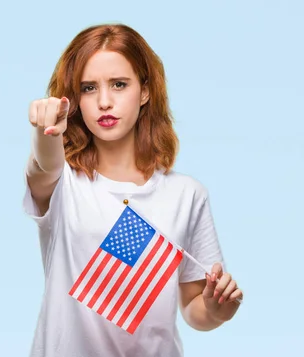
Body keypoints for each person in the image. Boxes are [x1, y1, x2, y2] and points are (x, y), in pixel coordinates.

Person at [22, 23, 242, 357]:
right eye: (88, 88)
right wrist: (46, 131)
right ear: (75, 99)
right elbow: (44, 166)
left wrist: (216, 310)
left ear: (144, 91)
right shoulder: (64, 184)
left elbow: (193, 308)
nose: (105, 101)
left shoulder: (186, 194)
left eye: (119, 84)